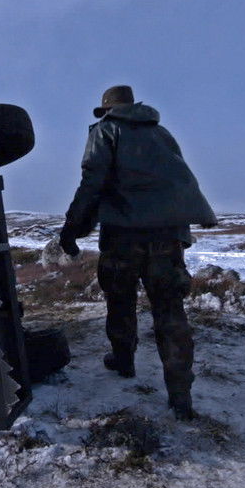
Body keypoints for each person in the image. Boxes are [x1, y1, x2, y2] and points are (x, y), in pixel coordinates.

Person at [59, 85, 217, 420]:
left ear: (107, 110)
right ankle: (180, 395)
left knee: (120, 298)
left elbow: (93, 181)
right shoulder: (162, 134)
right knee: (170, 309)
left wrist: (72, 229)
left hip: (124, 235)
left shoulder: (106, 131)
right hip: (168, 236)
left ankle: (123, 360)